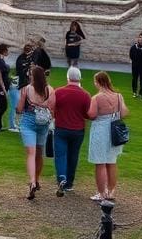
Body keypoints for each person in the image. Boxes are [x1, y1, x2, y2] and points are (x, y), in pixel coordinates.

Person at [87, 71, 129, 202]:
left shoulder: (97, 98)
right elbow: (124, 113)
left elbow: (92, 114)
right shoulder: (118, 96)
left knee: (100, 162)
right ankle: (110, 191)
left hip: (101, 130)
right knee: (111, 161)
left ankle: (101, 193)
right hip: (114, 129)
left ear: (98, 82)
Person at [16, 65, 56, 199]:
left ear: (33, 76)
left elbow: (20, 108)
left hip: (29, 121)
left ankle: (32, 181)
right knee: (39, 153)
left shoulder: (26, 89)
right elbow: (53, 109)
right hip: (43, 123)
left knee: (31, 154)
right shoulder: (50, 90)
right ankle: (37, 179)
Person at [53, 66, 91, 196]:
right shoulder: (85, 95)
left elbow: (52, 108)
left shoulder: (58, 92)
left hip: (61, 128)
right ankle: (69, 183)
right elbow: (88, 114)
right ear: (79, 78)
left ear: (68, 77)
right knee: (73, 155)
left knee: (60, 155)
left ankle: (61, 178)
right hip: (78, 130)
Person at [11, 42, 35, 133]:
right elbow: (21, 71)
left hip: (28, 84)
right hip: (22, 85)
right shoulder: (21, 59)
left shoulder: (29, 59)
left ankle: (24, 123)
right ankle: (17, 123)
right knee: (21, 104)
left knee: (27, 104)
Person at [129, 32, 142, 99]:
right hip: (135, 66)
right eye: (140, 38)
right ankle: (134, 92)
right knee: (134, 79)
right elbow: (131, 56)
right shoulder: (133, 47)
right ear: (138, 39)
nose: (141, 40)